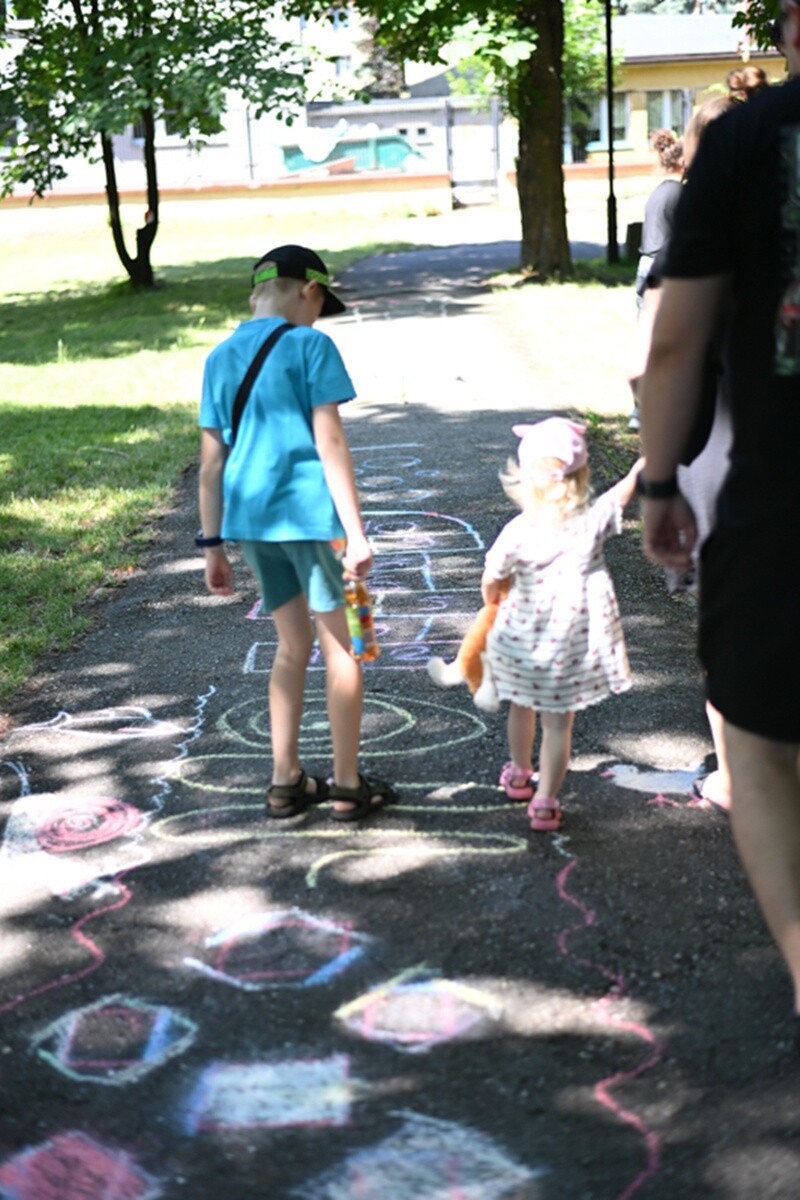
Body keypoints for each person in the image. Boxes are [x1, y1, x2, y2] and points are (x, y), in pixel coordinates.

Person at [638, 0, 800, 1051]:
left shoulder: (745, 140)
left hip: (781, 498)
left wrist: (660, 483)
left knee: (758, 743)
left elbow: (675, 342)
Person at [197, 244, 397, 822]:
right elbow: (329, 441)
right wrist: (356, 533)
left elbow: (211, 464)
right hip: (311, 518)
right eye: (319, 306)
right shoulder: (311, 345)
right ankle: (347, 785)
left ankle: (285, 780)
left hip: (252, 523)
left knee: (291, 646)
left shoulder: (219, 357)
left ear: (254, 295)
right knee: (343, 649)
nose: (317, 318)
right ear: (310, 291)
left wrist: (212, 546)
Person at [480, 417, 643, 832]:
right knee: (557, 725)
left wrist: (493, 602)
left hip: (524, 641)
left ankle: (520, 773)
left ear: (524, 478)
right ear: (581, 475)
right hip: (569, 646)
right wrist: (642, 468)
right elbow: (620, 495)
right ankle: (546, 802)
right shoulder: (589, 522)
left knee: (520, 705)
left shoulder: (517, 531)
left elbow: (492, 578)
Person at [628, 129, 685, 431]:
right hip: (662, 268)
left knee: (647, 337)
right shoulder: (679, 194)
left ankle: (640, 409)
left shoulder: (659, 192)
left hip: (646, 264)